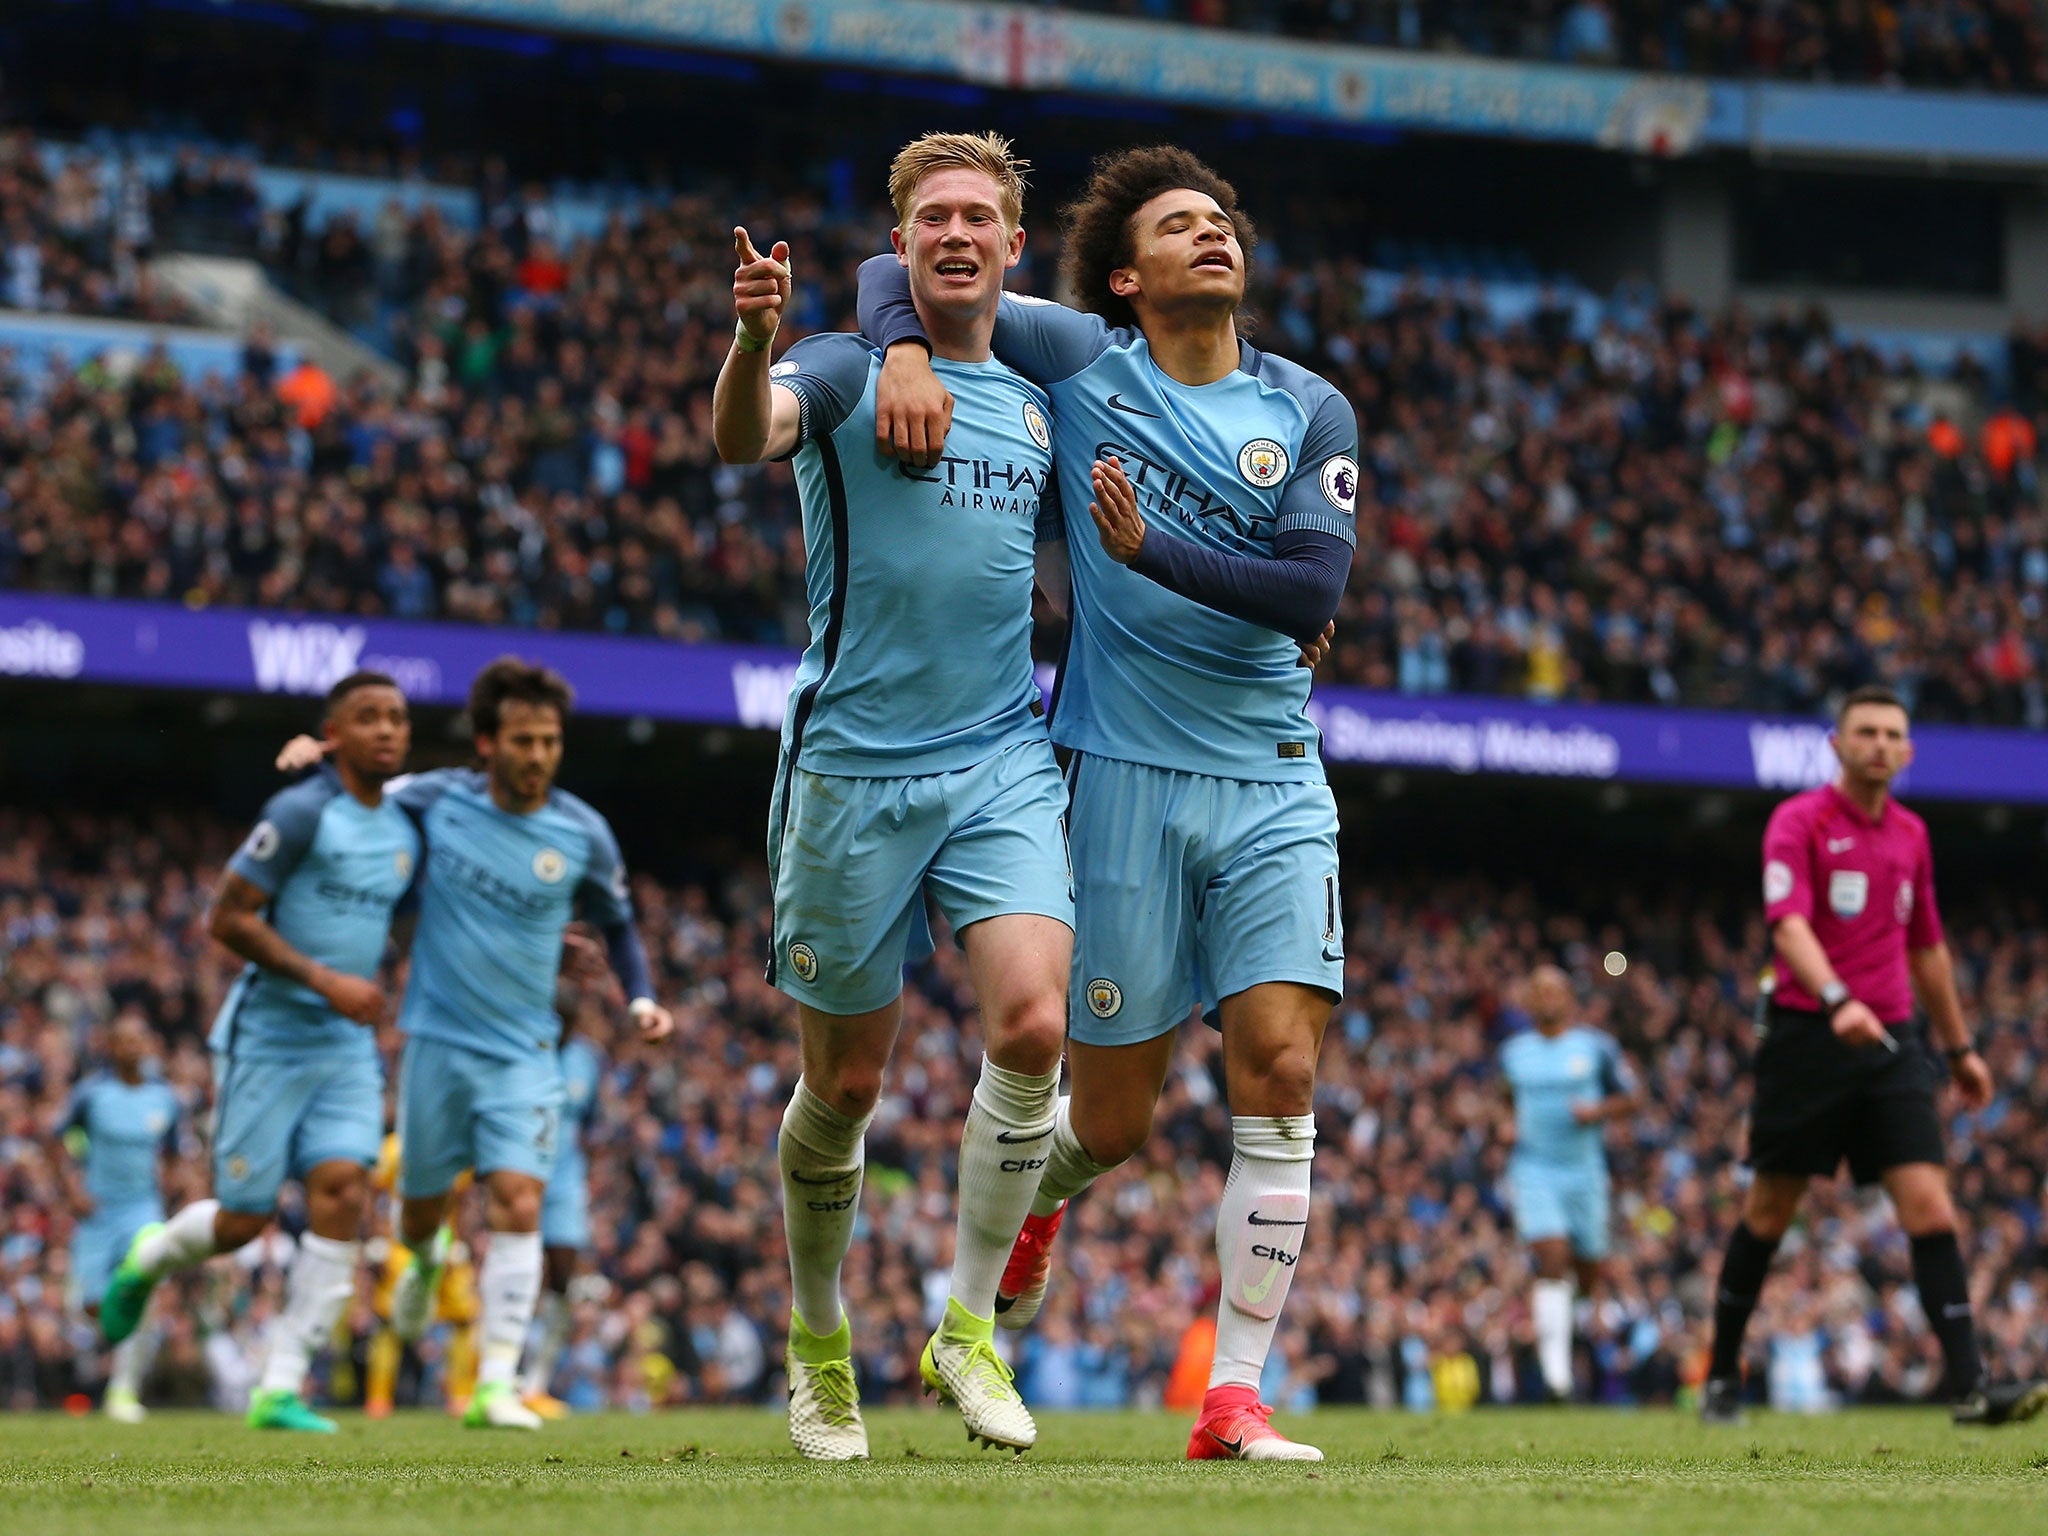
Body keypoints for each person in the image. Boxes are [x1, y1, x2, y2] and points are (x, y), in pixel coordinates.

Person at [857, 143, 1355, 1461]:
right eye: (1181, 227)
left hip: (1273, 780)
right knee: (1118, 1123)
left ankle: (1235, 1397)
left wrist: (1149, 552)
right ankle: (1040, 1203)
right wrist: (903, 351)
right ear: (1125, 277)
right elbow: (890, 265)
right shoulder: (1081, 364)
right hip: (1122, 775)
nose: (1213, 237)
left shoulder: (1309, 406)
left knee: (1284, 1073)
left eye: (1222, 223)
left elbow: (1310, 596)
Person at [714, 131, 1073, 1458]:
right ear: (903, 240)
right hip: (851, 770)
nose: (959, 234)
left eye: (982, 216)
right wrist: (753, 343)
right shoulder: (846, 362)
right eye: (934, 219)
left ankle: (967, 1329)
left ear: (1014, 246)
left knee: (1034, 1026)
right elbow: (746, 433)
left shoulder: (1045, 388)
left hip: (998, 754)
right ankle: (819, 1346)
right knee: (848, 1086)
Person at [1701, 685, 2046, 1428]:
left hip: (1891, 1044)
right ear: (1837, 743)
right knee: (1769, 1209)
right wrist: (1835, 1000)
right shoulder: (1798, 822)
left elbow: (1927, 947)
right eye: (1867, 732)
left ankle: (1970, 1389)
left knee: (1929, 1205)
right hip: (1806, 1036)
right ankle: (1722, 1376)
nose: (1881, 745)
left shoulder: (1913, 836)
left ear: (1909, 750)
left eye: (1894, 734)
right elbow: (1788, 927)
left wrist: (1960, 1050)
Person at [98, 672, 418, 1434]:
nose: (387, 729)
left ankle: (279, 1386)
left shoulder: (410, 824)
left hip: (344, 1045)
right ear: (333, 734)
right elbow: (226, 917)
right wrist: (323, 979)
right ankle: (150, 1258)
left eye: (398, 718)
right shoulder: (301, 812)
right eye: (367, 717)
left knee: (345, 1189)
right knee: (247, 1220)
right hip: (269, 1036)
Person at [377, 658, 675, 1431]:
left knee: (518, 1202)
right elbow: (353, 799)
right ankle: (426, 1258)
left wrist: (639, 998)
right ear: (486, 742)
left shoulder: (580, 831)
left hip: (523, 1052)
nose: (538, 754)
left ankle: (496, 1384)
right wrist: (317, 761)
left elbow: (617, 922)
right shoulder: (434, 800)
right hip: (437, 1044)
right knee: (420, 1214)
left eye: (549, 740)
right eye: (522, 739)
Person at [1497, 964, 1636, 1402]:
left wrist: (1598, 1112)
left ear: (1569, 998)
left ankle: (1578, 1336)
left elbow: (1632, 1096)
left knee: (1587, 1266)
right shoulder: (1514, 1052)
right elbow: (1502, 1098)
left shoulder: (1596, 1047)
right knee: (1552, 1254)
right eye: (1538, 990)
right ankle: (1557, 1377)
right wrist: (1505, 1123)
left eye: (1554, 990)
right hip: (1534, 1169)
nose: (1547, 998)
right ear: (1529, 1001)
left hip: (1585, 1172)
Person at [57, 1011, 184, 1424]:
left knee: (142, 1289)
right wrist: (72, 1189)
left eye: (138, 1040)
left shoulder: (164, 1098)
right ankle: (105, 1361)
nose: (132, 1048)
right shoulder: (90, 1095)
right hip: (98, 1212)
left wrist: (173, 1187)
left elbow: (174, 1154)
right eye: (123, 1041)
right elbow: (57, 1141)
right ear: (110, 1047)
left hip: (143, 1210)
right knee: (88, 1306)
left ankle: (124, 1390)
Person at [520, 1008, 604, 1418]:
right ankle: (493, 1378)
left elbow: (592, 1121)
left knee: (562, 1282)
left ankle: (535, 1384)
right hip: (521, 1176)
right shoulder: (523, 1051)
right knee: (515, 1272)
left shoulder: (586, 1059)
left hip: (566, 1183)